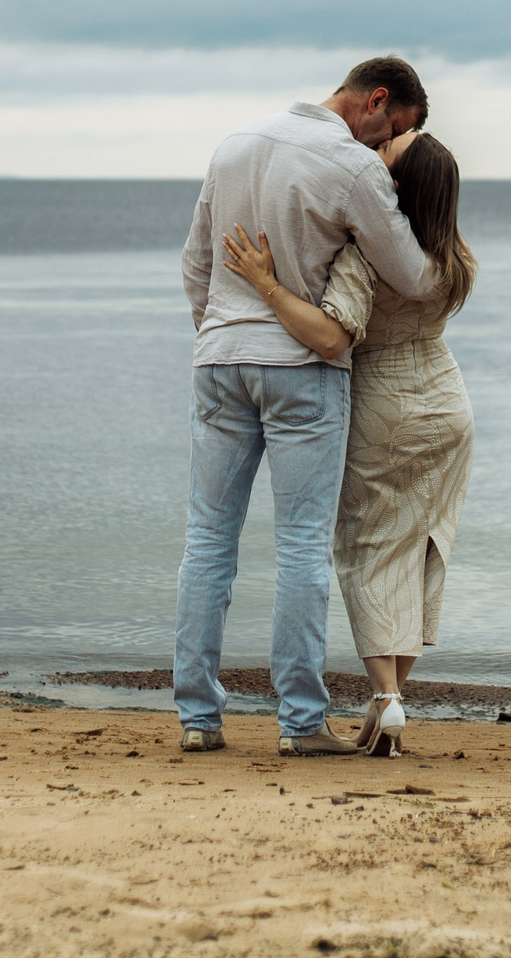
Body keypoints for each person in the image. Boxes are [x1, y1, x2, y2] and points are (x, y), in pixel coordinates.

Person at [175, 57, 446, 757]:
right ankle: (298, 722)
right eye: (395, 131)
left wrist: (218, 332)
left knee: (208, 537)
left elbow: (195, 264)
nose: (384, 149)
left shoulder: (234, 143)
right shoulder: (349, 166)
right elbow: (412, 276)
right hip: (303, 365)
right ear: (376, 101)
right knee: (301, 545)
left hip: (218, 358)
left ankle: (198, 717)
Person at [221, 126, 476, 759]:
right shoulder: (454, 257)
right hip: (447, 405)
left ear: (397, 185)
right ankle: (388, 707)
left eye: (388, 152)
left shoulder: (370, 255)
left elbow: (333, 333)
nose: (378, 151)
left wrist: (266, 285)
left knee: (366, 548)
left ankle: (387, 698)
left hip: (382, 407)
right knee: (419, 548)